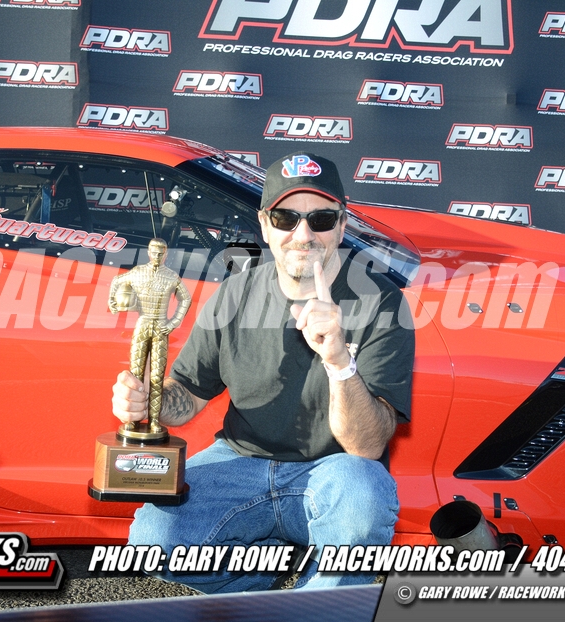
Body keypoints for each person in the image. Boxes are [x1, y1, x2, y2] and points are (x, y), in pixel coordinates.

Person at [110, 152, 414, 592]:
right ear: (265, 225)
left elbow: (366, 447)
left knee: (361, 501)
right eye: (286, 218)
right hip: (240, 463)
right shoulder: (234, 294)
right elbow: (188, 396)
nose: (303, 235)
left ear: (342, 225)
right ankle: (258, 587)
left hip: (333, 473)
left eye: (321, 219)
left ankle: (315, 609)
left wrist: (338, 361)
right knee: (152, 542)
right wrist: (148, 400)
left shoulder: (381, 301)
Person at [108, 238, 191, 434]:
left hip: (161, 326)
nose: (157, 256)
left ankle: (154, 420)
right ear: (149, 252)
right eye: (154, 252)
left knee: (157, 377)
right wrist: (112, 301)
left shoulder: (171, 276)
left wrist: (173, 322)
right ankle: (133, 422)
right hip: (143, 325)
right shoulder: (137, 272)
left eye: (161, 253)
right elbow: (117, 280)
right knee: (136, 374)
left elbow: (186, 298)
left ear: (166, 254)